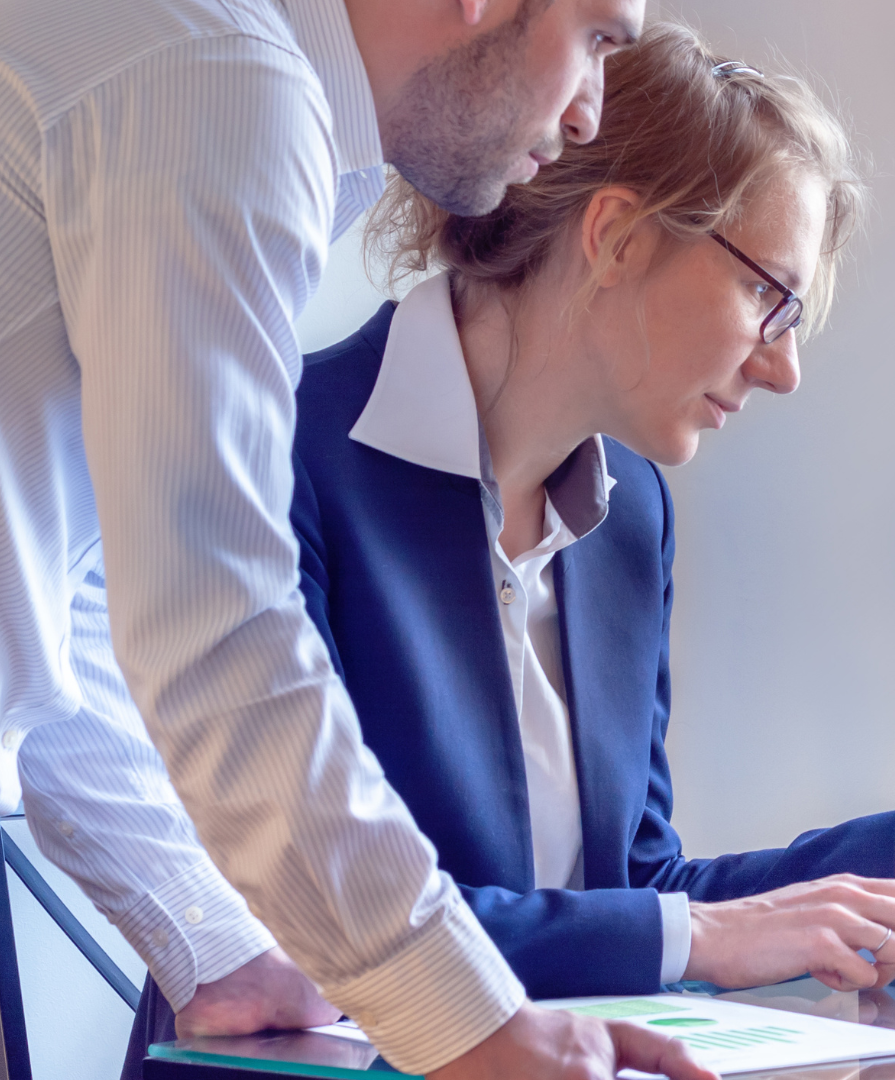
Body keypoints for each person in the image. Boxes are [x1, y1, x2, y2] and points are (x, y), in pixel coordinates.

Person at [264, 21, 895, 1009]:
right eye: (769, 297)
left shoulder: (628, 513)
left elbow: (640, 898)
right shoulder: (280, 459)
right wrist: (695, 935)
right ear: (618, 238)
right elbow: (328, 922)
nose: (784, 368)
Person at [0, 0, 730, 1076]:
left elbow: (57, 607)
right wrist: (467, 1022)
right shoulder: (220, 77)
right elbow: (213, 630)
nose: (590, 115)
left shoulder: (215, 74)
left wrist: (215, 944)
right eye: (598, 39)